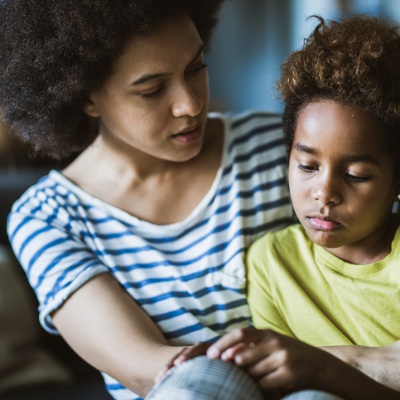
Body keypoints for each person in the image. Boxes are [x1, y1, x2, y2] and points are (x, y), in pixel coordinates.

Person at [1, 1, 294, 399]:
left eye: (195, 68)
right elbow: (148, 370)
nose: (190, 105)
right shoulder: (47, 218)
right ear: (87, 98)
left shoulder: (284, 150)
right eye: (152, 90)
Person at [179, 15, 400, 400]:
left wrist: (321, 367)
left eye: (356, 174)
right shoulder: (270, 264)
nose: (324, 192)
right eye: (308, 166)